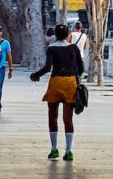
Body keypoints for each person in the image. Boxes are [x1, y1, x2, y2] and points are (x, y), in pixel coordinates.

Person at [31, 24, 84, 161]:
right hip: (70, 83)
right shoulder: (74, 48)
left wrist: (36, 75)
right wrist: (74, 76)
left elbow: (48, 67)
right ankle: (68, 151)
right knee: (68, 119)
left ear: (55, 35)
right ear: (67, 35)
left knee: (52, 116)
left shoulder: (51, 48)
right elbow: (81, 67)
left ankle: (54, 149)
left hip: (55, 83)